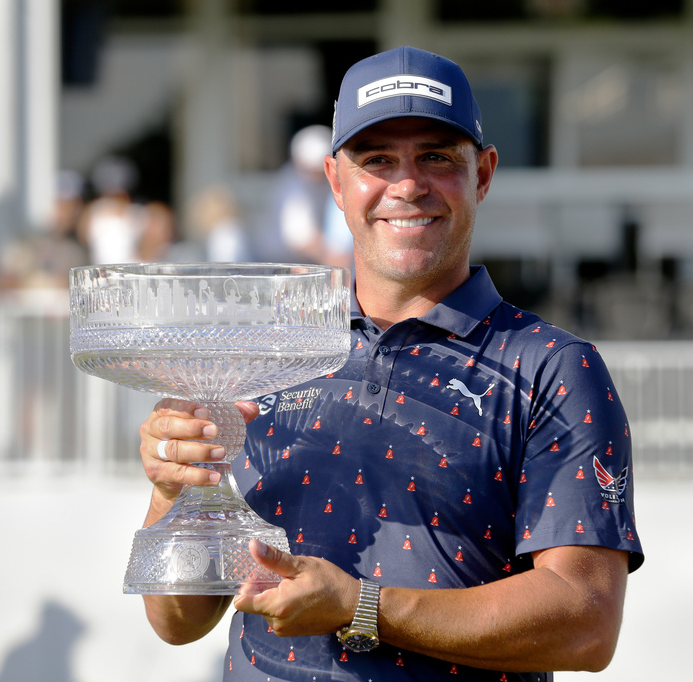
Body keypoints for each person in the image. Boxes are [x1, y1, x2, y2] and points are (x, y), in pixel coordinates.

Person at [135, 46, 643, 681]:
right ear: (335, 181)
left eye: (436, 157)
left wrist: (361, 606)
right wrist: (173, 492)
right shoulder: (264, 356)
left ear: (482, 174)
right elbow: (178, 621)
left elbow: (585, 623)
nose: (407, 185)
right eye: (377, 159)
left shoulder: (551, 367)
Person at [254, 124, 353, 268]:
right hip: (278, 264)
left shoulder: (328, 182)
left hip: (307, 263)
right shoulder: (292, 186)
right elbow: (302, 239)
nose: (318, 174)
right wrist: (334, 258)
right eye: (312, 168)